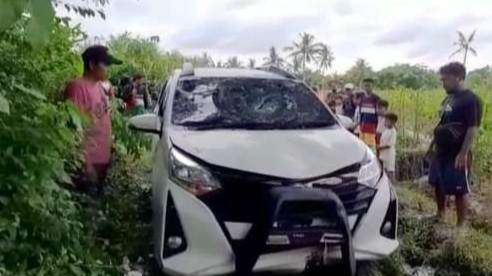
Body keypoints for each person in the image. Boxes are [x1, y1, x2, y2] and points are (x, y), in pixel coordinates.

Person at [428, 62, 483, 227]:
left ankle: (460, 226)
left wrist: (463, 153)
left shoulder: (471, 99)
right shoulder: (448, 99)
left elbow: (473, 127)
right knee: (437, 182)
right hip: (441, 150)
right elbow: (441, 123)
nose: (442, 82)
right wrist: (431, 146)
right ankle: (440, 214)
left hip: (457, 152)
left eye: (445, 79)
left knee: (460, 189)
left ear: (458, 78)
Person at [64, 45, 121, 196]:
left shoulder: (99, 87)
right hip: (87, 162)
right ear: (91, 64)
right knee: (87, 206)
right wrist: (84, 163)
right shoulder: (77, 87)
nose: (108, 69)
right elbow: (73, 127)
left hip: (101, 159)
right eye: (105, 65)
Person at [358, 78, 380, 151]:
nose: (367, 87)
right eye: (365, 85)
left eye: (369, 85)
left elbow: (379, 113)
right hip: (363, 125)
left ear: (372, 86)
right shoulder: (362, 98)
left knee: (370, 147)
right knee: (362, 146)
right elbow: (361, 112)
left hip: (372, 126)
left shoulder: (376, 98)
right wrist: (360, 124)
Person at [378, 113, 398, 184]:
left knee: (390, 170)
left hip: (389, 153)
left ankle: (392, 185)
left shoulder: (393, 131)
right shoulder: (385, 130)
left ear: (392, 122)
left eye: (387, 121)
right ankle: (386, 185)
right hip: (383, 154)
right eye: (385, 120)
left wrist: (380, 147)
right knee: (385, 170)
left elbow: (390, 144)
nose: (385, 122)